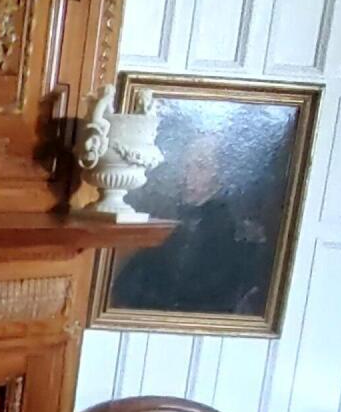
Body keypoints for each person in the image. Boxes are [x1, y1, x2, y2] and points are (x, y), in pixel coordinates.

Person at [111, 127, 276, 316]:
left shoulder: (232, 230)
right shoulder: (171, 216)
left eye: (200, 167)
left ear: (221, 174)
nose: (188, 176)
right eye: (186, 166)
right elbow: (128, 284)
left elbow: (210, 295)